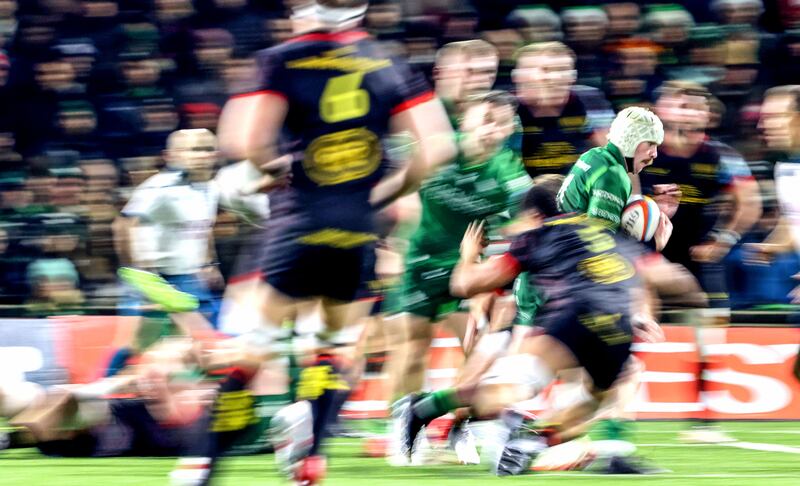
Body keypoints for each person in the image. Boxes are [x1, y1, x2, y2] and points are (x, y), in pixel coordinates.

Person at [215, 1, 457, 483]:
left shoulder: (282, 68)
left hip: (294, 219)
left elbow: (243, 150)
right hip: (332, 218)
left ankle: (278, 425)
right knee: (330, 340)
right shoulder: (378, 72)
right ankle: (303, 426)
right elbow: (435, 152)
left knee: (280, 337)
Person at [445, 182, 661, 476]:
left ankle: (525, 438)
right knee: (506, 388)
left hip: (548, 328)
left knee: (605, 381)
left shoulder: (542, 244)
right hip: (540, 328)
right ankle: (506, 435)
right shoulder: (552, 243)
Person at [384, 91, 530, 464]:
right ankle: (404, 428)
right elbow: (397, 190)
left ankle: (460, 424)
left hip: (465, 269)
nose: (492, 129)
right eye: (486, 119)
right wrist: (387, 244)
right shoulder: (437, 151)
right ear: (465, 120)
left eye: (502, 122)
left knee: (478, 349)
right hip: (419, 261)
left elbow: (526, 221)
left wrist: (497, 266)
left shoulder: (508, 171)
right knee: (413, 348)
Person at [639, 82, 762, 444]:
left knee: (710, 339)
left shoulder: (720, 156)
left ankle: (704, 421)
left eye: (695, 108)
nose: (688, 113)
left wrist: (723, 240)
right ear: (661, 110)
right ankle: (613, 408)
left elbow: (749, 201)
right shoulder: (644, 152)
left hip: (698, 256)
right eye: (680, 106)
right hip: (645, 255)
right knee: (626, 330)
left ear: (707, 116)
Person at [556, 105, 673, 250]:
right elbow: (603, 247)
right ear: (630, 139)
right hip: (571, 257)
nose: (654, 154)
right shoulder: (614, 175)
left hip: (560, 244)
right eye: (650, 143)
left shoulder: (594, 155)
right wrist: (655, 245)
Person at [513, 42, 615, 178]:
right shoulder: (508, 109)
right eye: (546, 70)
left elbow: (616, 157)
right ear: (519, 76)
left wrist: (634, 197)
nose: (556, 77)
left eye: (563, 70)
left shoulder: (589, 99)